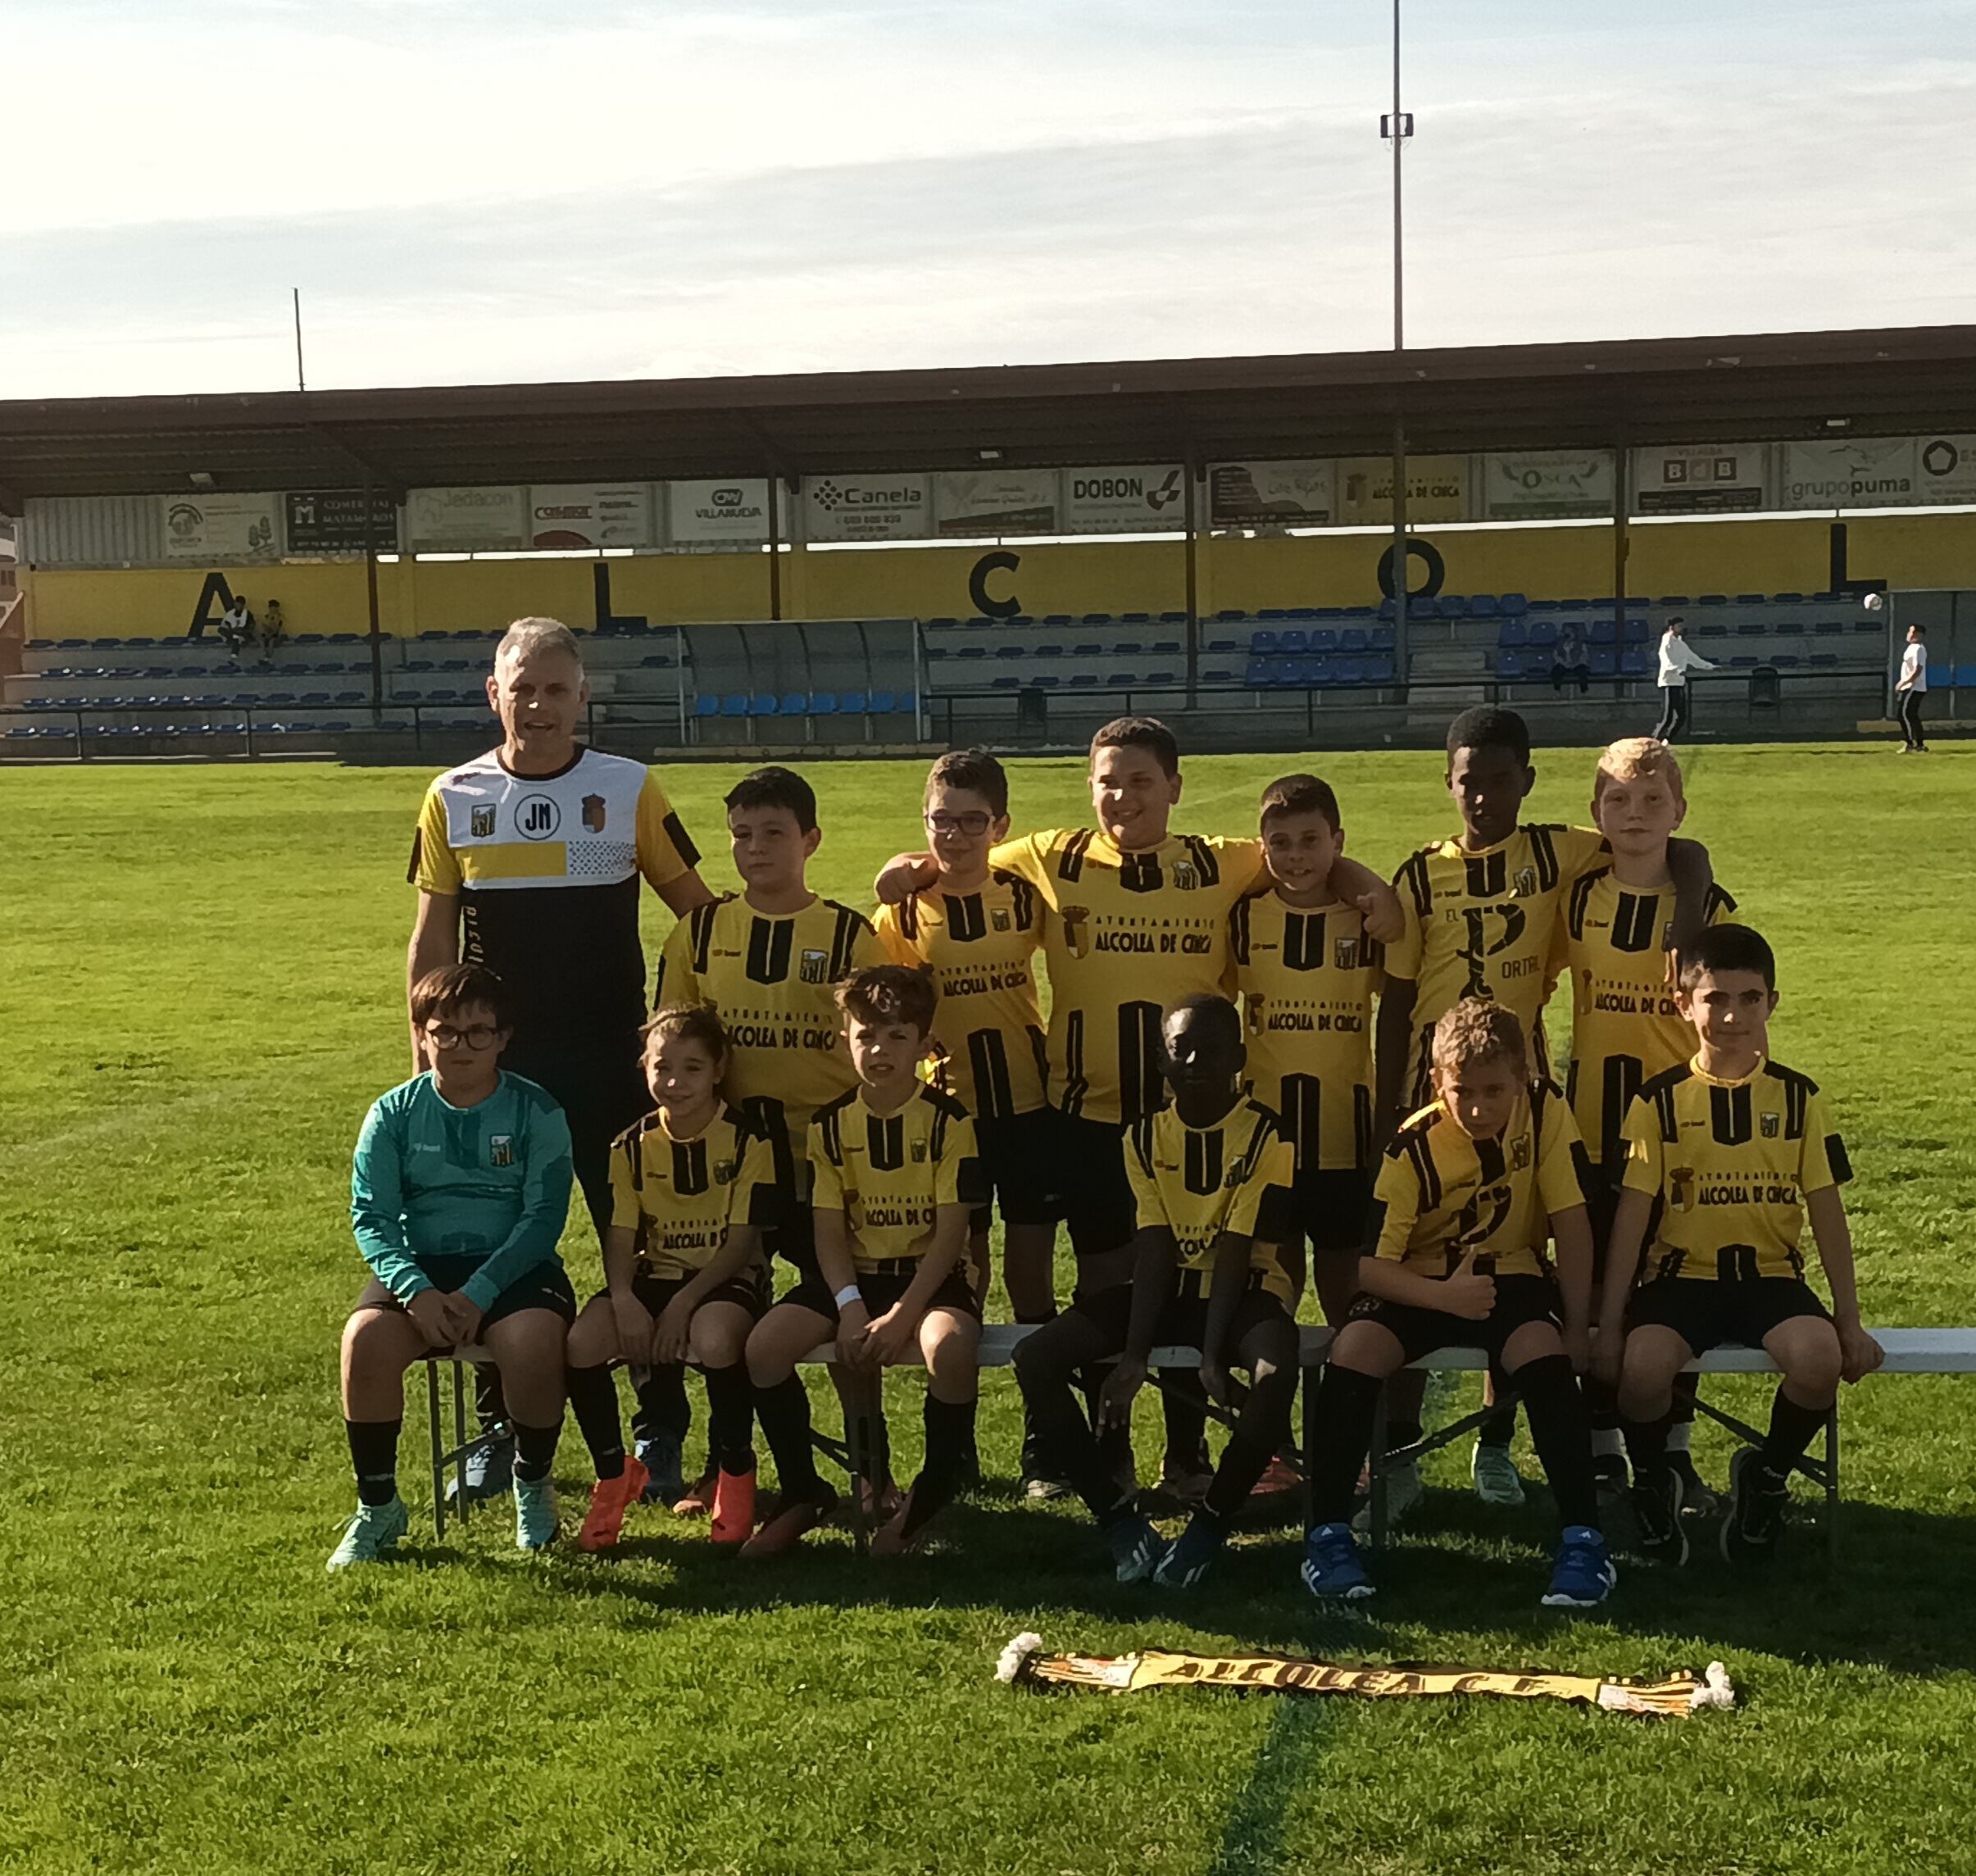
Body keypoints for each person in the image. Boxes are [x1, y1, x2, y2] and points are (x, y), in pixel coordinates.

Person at [879, 717, 1398, 1510]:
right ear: (1089, 787)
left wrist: (1371, 888)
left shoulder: (1219, 862)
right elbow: (957, 856)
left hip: (1189, 1123)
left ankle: (1187, 1451)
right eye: (1107, 781)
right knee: (1103, 1290)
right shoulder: (1054, 856)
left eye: (1140, 780)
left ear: (1174, 788)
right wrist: (906, 865)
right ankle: (1091, 1443)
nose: (1121, 795)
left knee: (1194, 1284)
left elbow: (1308, 860)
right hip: (1085, 1120)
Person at [407, 616, 714, 1504]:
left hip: (615, 1063)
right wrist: (429, 1067)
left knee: (652, 1246)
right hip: (496, 1073)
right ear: (493, 694)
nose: (538, 705)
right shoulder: (452, 795)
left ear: (582, 698)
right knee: (487, 1243)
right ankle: (497, 1430)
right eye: (522, 688)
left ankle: (659, 1431)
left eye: (555, 689)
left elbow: (697, 913)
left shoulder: (627, 789)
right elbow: (430, 941)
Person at [1377, 706, 1711, 1517]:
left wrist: (1691, 902)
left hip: (1519, 1099)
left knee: (1514, 1259)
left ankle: (1496, 1446)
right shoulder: (1419, 873)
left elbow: (1671, 841)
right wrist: (1383, 1101)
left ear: (1525, 783)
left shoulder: (1558, 853)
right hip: (1430, 1096)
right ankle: (1397, 1454)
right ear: (1447, 784)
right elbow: (1393, 995)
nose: (1483, 798)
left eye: (1500, 781)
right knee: (1418, 1261)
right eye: (1468, 782)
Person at [1300, 1000, 1614, 1609]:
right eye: (1460, 1091)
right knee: (1354, 1348)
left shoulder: (1546, 1109)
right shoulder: (1410, 1144)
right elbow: (1369, 1267)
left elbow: (1571, 1222)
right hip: (1422, 1281)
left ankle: (1583, 1541)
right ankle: (1328, 1535)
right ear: (1435, 1083)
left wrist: (1576, 1325)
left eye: (1494, 1090)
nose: (1476, 1107)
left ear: (1521, 1079)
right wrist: (1442, 1295)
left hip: (1511, 1274)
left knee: (1543, 1356)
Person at [1597, 924, 1883, 1566]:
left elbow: (1827, 1214)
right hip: (1680, 1282)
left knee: (1817, 1361)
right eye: (1715, 998)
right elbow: (1629, 1221)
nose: (1731, 1015)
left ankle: (1766, 1475)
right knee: (1640, 1370)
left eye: (1749, 999)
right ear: (1682, 1003)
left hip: (1769, 1280)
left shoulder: (1799, 1097)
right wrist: (1611, 1324)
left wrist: (1849, 1319)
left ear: (1771, 1004)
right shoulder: (1658, 1101)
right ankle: (1652, 1480)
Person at [656, 765, 890, 1506]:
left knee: (846, 1306)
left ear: (810, 840)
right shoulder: (698, 932)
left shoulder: (852, 934)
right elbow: (674, 1040)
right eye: (741, 836)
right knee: (723, 1317)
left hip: (829, 1162)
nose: (755, 848)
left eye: (773, 833)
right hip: (733, 1165)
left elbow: (881, 1048)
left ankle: (869, 1466)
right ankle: (729, 1467)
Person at [1011, 994, 1299, 1588]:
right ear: (1160, 1062)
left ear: (1239, 1058)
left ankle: (1209, 1526)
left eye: (1210, 1049)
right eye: (1179, 1049)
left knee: (1274, 1374)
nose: (1193, 1060)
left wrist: (1213, 1356)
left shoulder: (1267, 1133)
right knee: (1035, 1356)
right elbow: (1155, 1245)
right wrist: (1136, 1354)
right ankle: (1117, 1520)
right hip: (1166, 1291)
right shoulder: (1141, 1136)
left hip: (1241, 1293)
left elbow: (1236, 1249)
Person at [328, 964, 575, 1568]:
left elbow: (543, 1217)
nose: (460, 1045)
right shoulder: (392, 1113)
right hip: (423, 1268)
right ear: (421, 1034)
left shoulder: (537, 1110)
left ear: (504, 1037)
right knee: (365, 1341)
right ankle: (377, 1505)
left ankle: (532, 1482)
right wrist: (415, 1292)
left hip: (512, 1266)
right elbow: (372, 1217)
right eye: (445, 1032)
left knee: (534, 1340)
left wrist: (480, 1291)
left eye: (478, 1032)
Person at [1551, 737, 1741, 1512]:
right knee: (1599, 1299)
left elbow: (1731, 1017)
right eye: (1619, 801)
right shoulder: (1576, 896)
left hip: (1679, 1136)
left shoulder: (1710, 906)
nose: (1635, 815)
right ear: (1596, 813)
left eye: (1652, 801)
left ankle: (1673, 1456)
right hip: (1592, 1130)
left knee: (1671, 1297)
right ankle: (1600, 1456)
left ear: (1679, 810)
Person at [742, 965, 986, 1557]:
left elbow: (952, 1232)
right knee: (764, 1346)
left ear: (924, 1046)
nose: (879, 1050)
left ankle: (932, 1488)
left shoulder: (951, 1122)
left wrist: (903, 1315)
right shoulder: (828, 1124)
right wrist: (849, 1307)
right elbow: (827, 1229)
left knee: (949, 1348)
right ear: (843, 1040)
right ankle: (804, 1490)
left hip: (927, 1280)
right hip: (851, 1279)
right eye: (865, 1036)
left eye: (897, 1036)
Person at [872, 749, 1059, 1491]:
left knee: (1033, 1281)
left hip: (1030, 1107)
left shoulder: (1025, 892)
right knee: (962, 1284)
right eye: (940, 822)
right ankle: (960, 1450)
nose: (954, 837)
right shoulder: (902, 910)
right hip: (952, 1117)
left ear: (999, 825)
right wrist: (902, 870)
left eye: (971, 822)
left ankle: (1045, 1444)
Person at [562, 1005, 783, 1552]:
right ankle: (614, 1475)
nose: (674, 1082)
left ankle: (734, 1473)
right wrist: (622, 1297)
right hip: (653, 1278)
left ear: (717, 1071)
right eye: (662, 1067)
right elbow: (620, 1238)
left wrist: (682, 1305)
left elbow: (739, 1244)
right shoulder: (629, 1145)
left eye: (691, 1068)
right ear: (643, 1067)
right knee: (582, 1342)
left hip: (722, 1280)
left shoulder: (748, 1139)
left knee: (712, 1337)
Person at [1228, 773, 1383, 1327]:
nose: (1295, 856)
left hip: (1344, 1133)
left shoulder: (1364, 919)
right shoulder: (1243, 919)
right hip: (1268, 1134)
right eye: (1281, 843)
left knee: (1346, 1286)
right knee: (1275, 1283)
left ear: (1337, 841)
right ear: (1261, 844)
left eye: (1310, 840)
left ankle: (1346, 1403)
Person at [1653, 617, 1715, 743]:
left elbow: (1692, 658)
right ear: (1672, 627)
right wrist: (1676, 670)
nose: (1681, 628)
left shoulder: (1680, 643)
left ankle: (1666, 741)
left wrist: (1709, 666)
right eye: (1679, 626)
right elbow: (1666, 658)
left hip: (1679, 682)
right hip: (1669, 682)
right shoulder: (1667, 639)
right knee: (1668, 717)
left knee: (1681, 717)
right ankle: (1653, 742)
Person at [1894, 623, 1928, 753]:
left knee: (1903, 715)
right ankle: (1919, 744)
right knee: (1911, 715)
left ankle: (1911, 743)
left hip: (1913, 687)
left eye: (1912, 632)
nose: (1909, 634)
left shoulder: (1919, 649)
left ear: (1919, 635)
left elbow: (1917, 669)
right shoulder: (1911, 648)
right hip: (1911, 686)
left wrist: (1904, 683)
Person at [1549, 625, 1590, 696]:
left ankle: (1584, 691)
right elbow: (1556, 655)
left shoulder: (1581, 644)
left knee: (1582, 671)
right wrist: (1564, 663)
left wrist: (1576, 663)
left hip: (1577, 664)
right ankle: (1557, 690)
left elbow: (1584, 656)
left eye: (1570, 632)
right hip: (1564, 664)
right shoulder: (1560, 644)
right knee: (1556, 670)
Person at [216, 595, 255, 660]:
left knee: (238, 636)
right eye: (237, 604)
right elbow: (224, 625)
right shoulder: (230, 613)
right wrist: (231, 629)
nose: (238, 606)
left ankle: (235, 651)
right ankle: (234, 644)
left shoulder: (247, 613)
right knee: (222, 630)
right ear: (235, 604)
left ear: (243, 605)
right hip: (231, 633)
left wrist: (244, 630)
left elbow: (251, 626)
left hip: (242, 633)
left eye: (240, 604)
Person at [257, 597, 286, 662]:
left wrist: (270, 634)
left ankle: (269, 657)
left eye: (275, 608)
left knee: (272, 641)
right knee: (261, 639)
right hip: (267, 634)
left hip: (277, 635)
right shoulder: (266, 616)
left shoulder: (280, 617)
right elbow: (263, 627)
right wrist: (265, 634)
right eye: (272, 608)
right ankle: (265, 654)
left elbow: (277, 629)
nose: (274, 610)